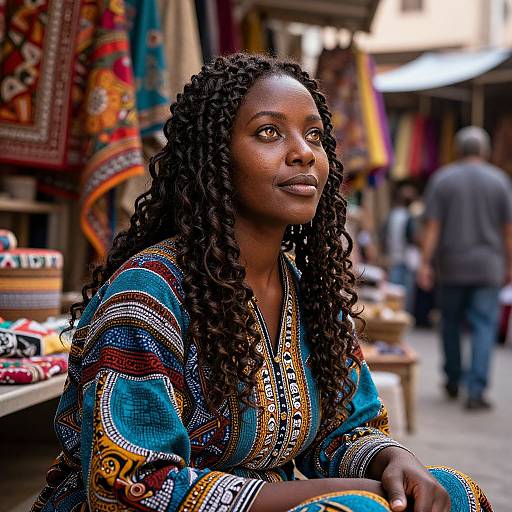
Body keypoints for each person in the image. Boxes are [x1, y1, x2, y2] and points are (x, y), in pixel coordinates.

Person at [33, 55, 492, 512]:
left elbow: (342, 431)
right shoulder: (147, 297)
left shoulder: (310, 294)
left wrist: (395, 461)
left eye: (314, 135)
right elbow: (130, 487)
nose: (304, 152)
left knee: (453, 494)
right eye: (269, 132)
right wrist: (332, 495)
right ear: (213, 155)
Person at [418, 125, 512, 411]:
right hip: (488, 267)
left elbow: (432, 227)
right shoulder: (500, 181)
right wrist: (509, 263)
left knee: (450, 323)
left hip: (451, 265)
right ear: (483, 151)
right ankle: (476, 390)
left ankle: (453, 379)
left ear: (458, 150)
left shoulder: (443, 179)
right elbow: (508, 230)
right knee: (484, 326)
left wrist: (424, 263)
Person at [382, 184, 419, 312]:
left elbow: (384, 236)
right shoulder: (408, 216)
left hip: (393, 258)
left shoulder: (391, 215)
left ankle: (393, 313)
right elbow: (412, 237)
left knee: (393, 291)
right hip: (406, 259)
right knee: (405, 293)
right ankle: (403, 315)